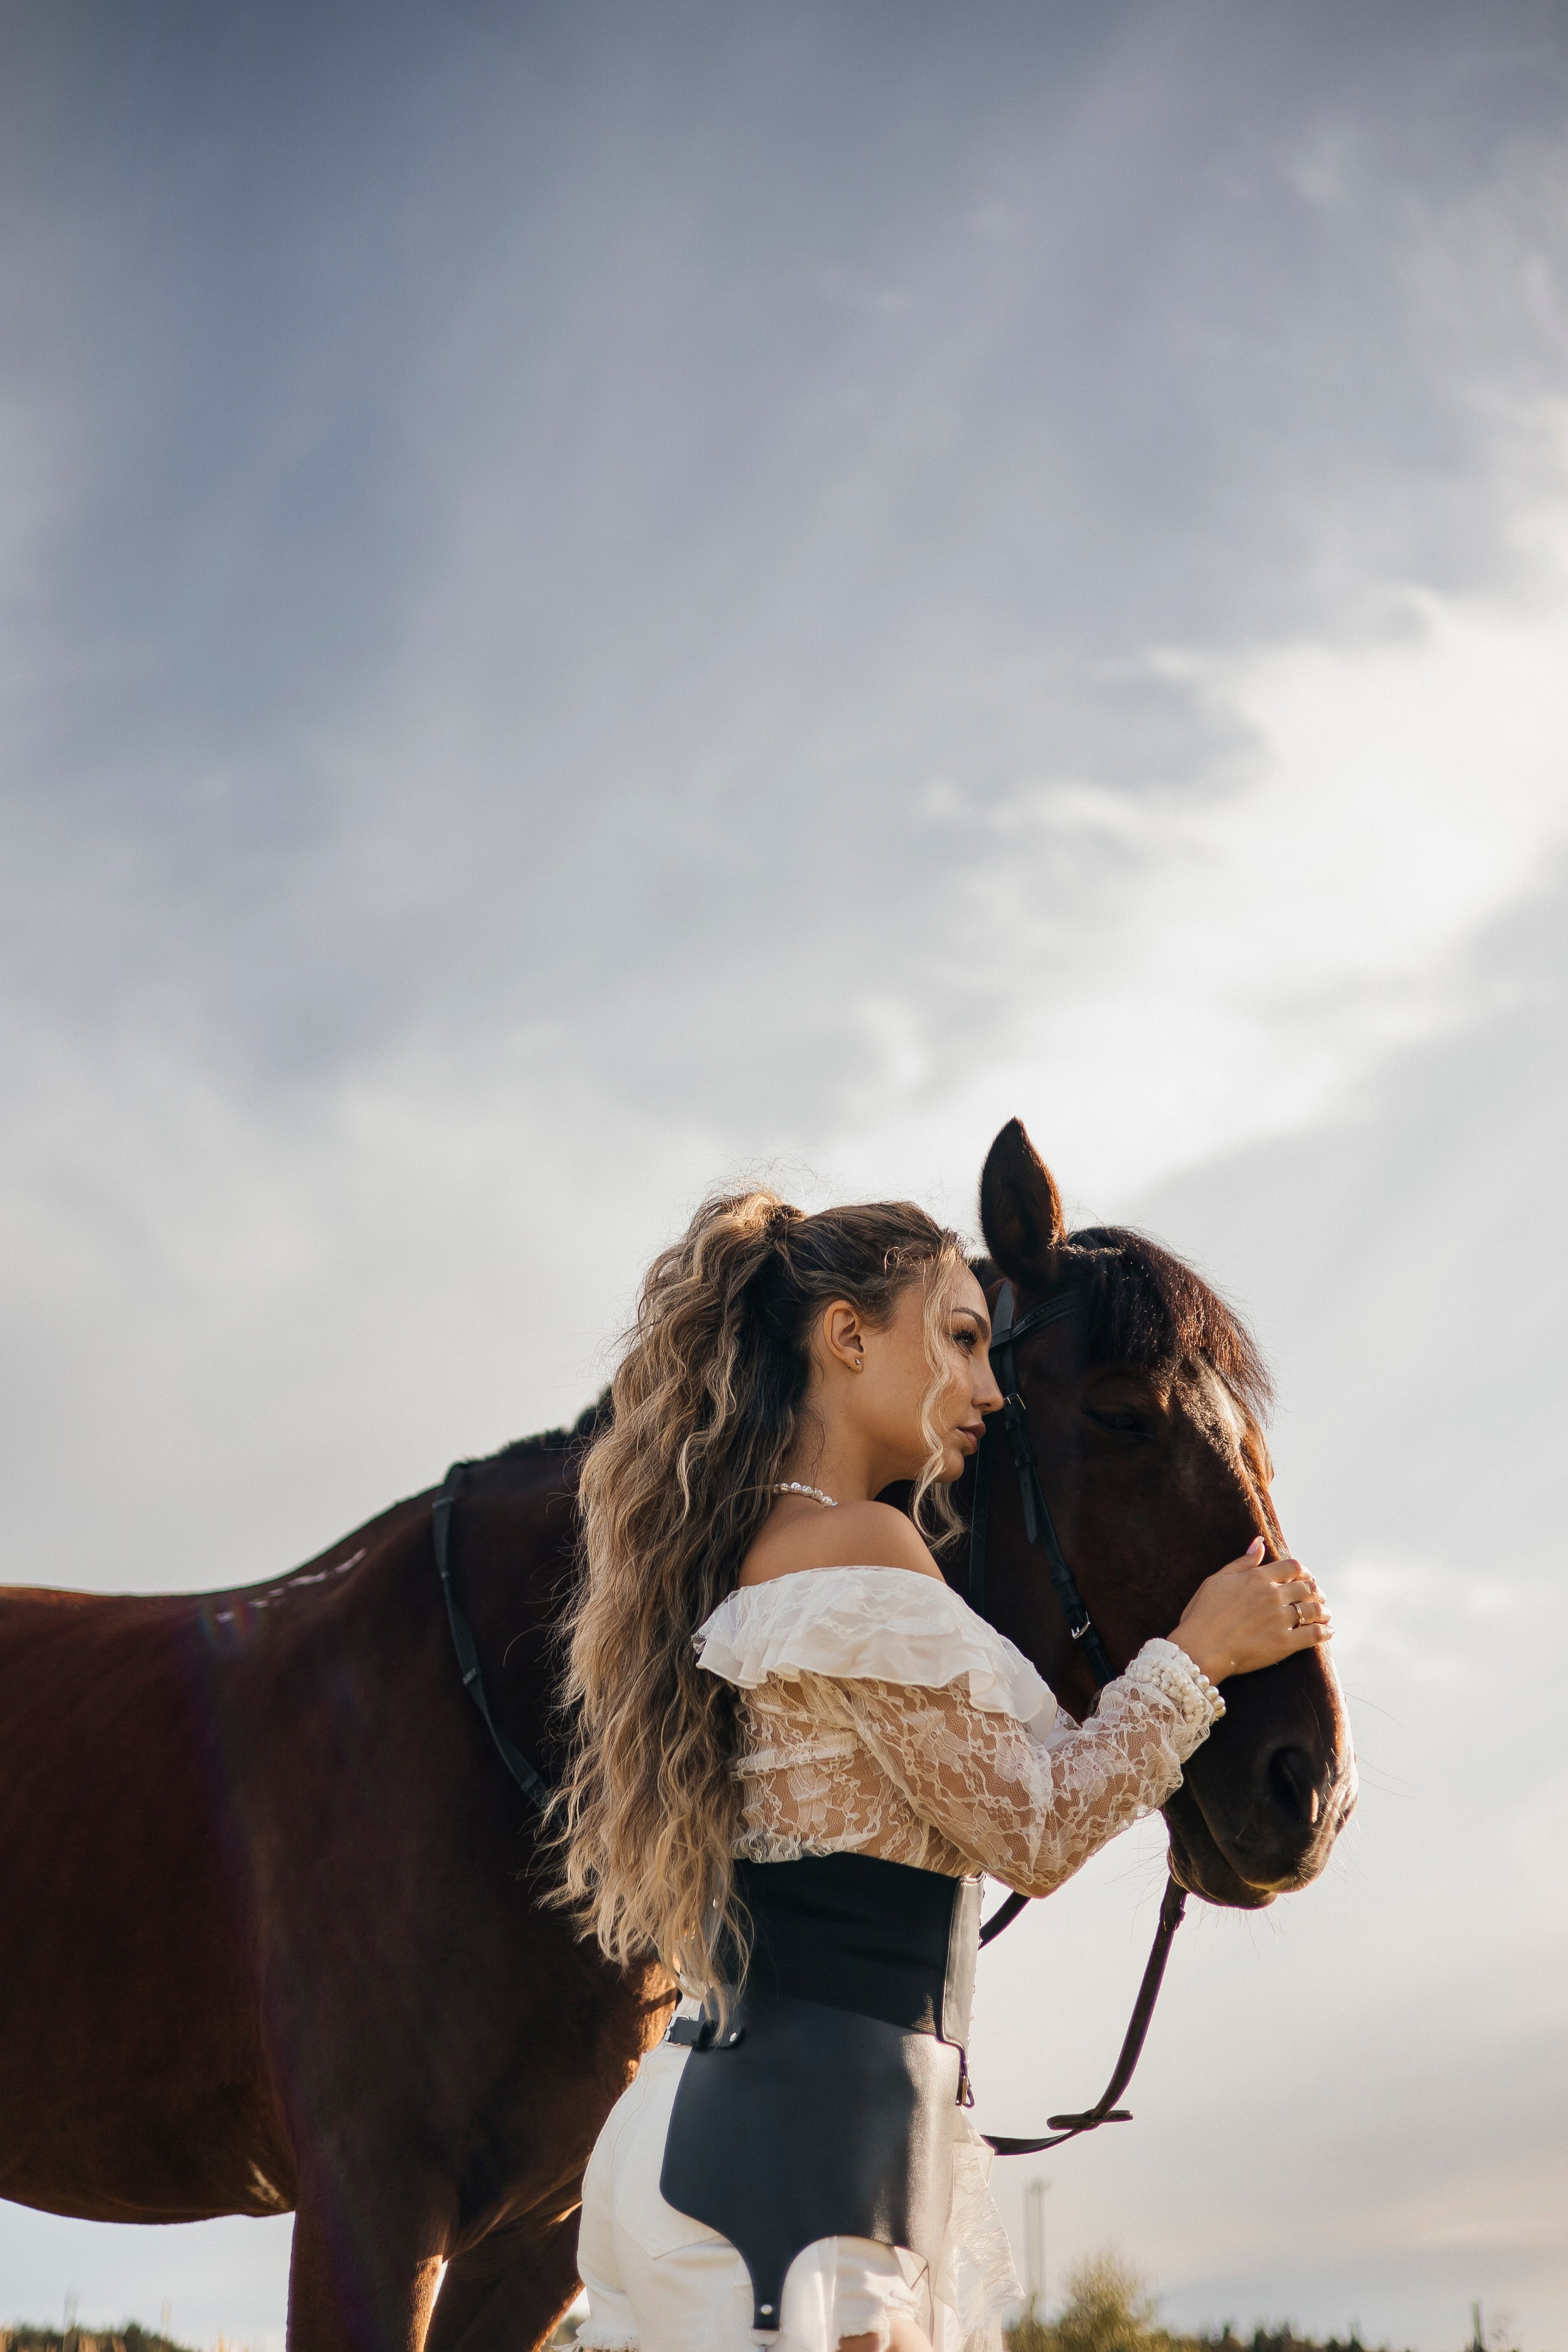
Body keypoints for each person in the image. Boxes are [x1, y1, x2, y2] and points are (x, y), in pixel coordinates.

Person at [556, 1191, 1330, 2352]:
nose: (990, 1387)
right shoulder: (862, 1547)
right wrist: (1198, 1656)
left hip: (737, 2139)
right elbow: (1034, 1830)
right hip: (810, 2159)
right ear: (848, 1337)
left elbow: (1019, 1775)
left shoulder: (774, 1549)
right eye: (960, 1338)